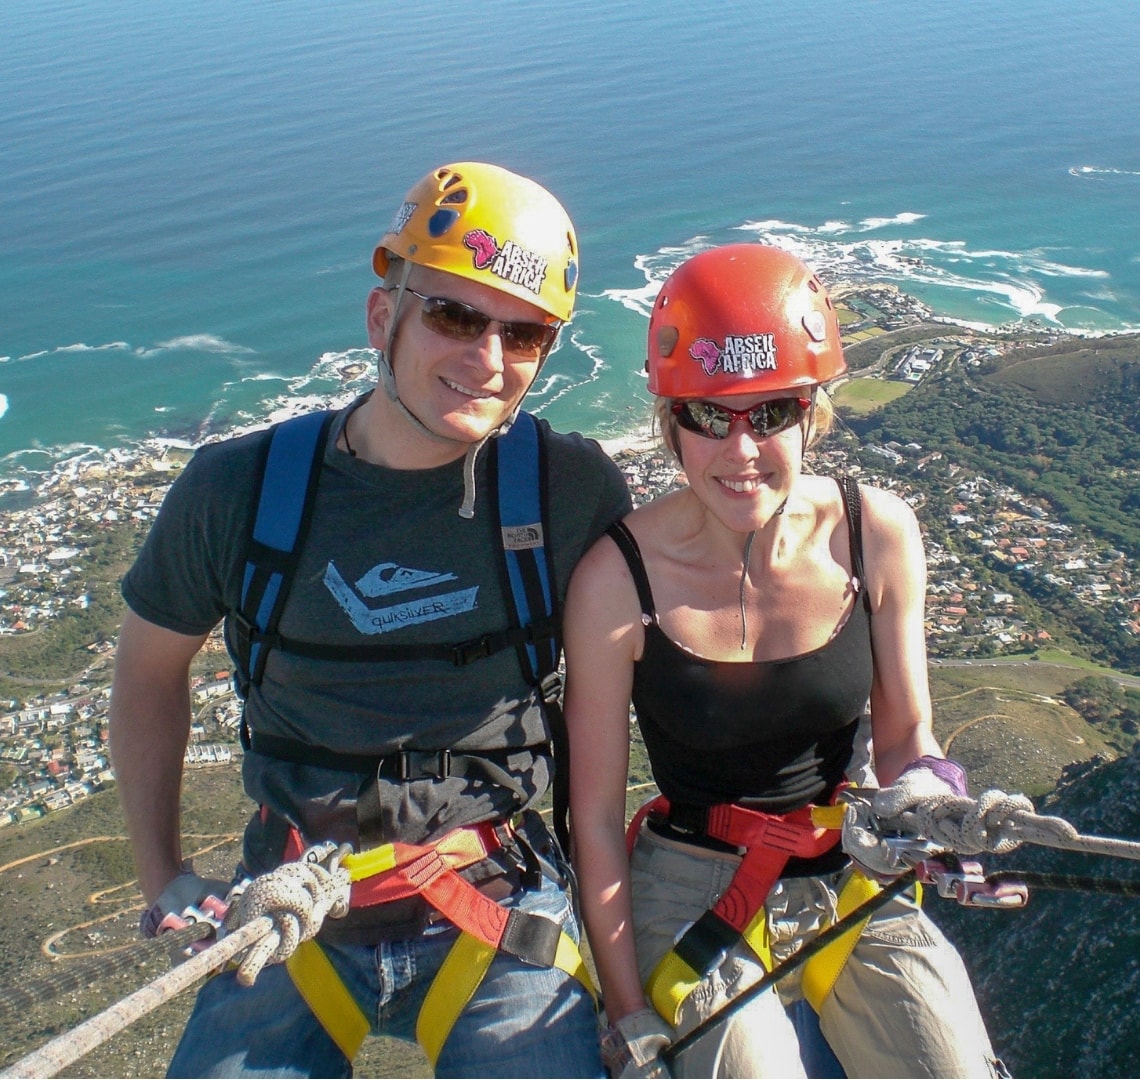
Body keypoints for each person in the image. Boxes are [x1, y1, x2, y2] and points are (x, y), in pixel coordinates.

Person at [109, 161, 631, 1079]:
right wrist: (165, 878)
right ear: (382, 317)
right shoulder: (240, 491)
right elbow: (149, 672)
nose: (490, 359)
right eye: (456, 317)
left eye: (526, 335)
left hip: (489, 889)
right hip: (294, 900)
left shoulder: (567, 491)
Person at [563, 244, 1002, 1078]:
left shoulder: (875, 534)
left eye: (771, 413)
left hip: (850, 864)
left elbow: (908, 734)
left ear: (812, 414)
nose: (740, 450)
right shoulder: (616, 584)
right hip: (689, 884)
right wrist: (627, 1012)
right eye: (707, 415)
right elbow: (594, 818)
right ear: (670, 421)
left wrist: (936, 808)